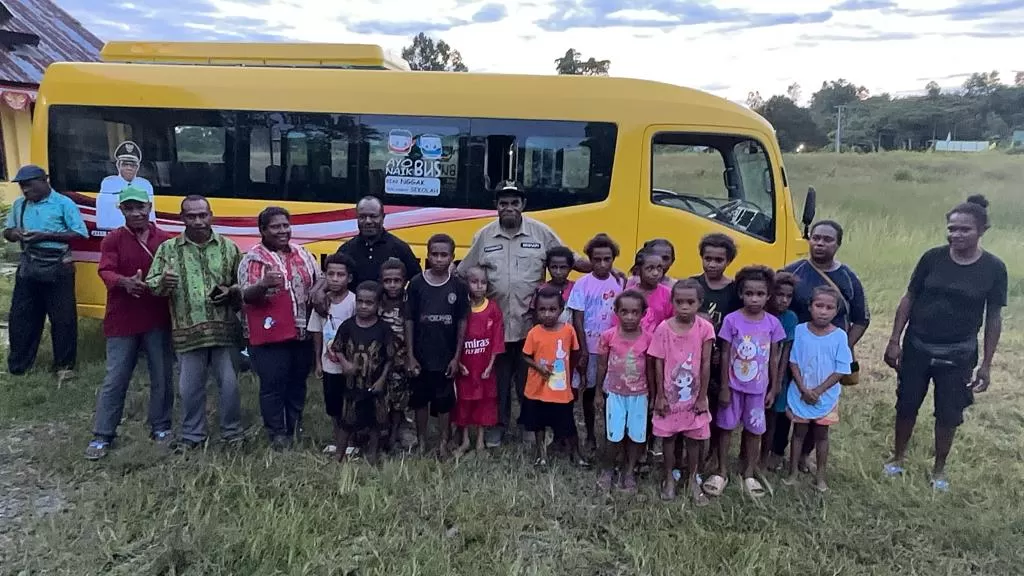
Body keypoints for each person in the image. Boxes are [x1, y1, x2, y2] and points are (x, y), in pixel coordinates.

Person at [883, 195, 1006, 492]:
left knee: (949, 413)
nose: (956, 235)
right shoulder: (932, 258)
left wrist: (986, 364)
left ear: (982, 230)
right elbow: (909, 298)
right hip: (917, 345)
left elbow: (993, 318)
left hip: (959, 352)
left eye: (964, 229)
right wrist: (894, 340)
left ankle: (939, 470)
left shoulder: (993, 268)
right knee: (907, 404)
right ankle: (898, 458)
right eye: (951, 229)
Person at [457, 181, 592, 447]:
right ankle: (496, 425)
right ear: (496, 206)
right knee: (497, 380)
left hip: (533, 326)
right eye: (503, 203)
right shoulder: (484, 236)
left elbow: (570, 259)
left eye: (514, 203)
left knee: (530, 379)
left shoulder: (541, 233)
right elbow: (464, 271)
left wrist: (607, 271)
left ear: (523, 206)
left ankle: (529, 427)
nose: (508, 208)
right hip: (494, 328)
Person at [85, 187, 175, 460]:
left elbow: (173, 272)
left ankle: (161, 427)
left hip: (157, 317)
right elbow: (105, 270)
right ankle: (103, 434)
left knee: (162, 375)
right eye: (129, 208)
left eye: (140, 208)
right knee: (116, 377)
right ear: (121, 211)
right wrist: (125, 282)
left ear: (149, 207)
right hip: (122, 317)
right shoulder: (113, 239)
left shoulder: (166, 240)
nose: (136, 213)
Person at [147, 195, 243, 449]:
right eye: (191, 216)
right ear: (182, 218)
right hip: (187, 332)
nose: (198, 221)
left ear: (211, 215)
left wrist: (231, 290)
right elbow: (152, 283)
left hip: (223, 330)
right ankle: (192, 436)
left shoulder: (228, 247)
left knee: (230, 387)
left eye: (203, 215)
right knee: (190, 389)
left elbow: (243, 282)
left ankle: (232, 434)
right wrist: (162, 284)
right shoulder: (168, 250)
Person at [784, 220, 869, 470]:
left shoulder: (848, 278)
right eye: (816, 238)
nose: (820, 243)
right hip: (794, 353)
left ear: (838, 244)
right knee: (787, 405)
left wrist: (842, 346)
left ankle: (804, 455)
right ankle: (777, 453)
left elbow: (862, 318)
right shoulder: (793, 272)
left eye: (827, 239)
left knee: (818, 407)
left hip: (828, 359)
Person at [239, 207, 321, 449]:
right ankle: (277, 433)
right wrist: (263, 284)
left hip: (301, 332)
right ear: (263, 230)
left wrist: (320, 288)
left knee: (297, 382)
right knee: (274, 384)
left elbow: (320, 279)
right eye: (275, 227)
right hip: (270, 335)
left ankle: (294, 427)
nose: (282, 231)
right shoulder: (253, 258)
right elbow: (246, 296)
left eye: (286, 225)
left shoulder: (303, 254)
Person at [705, 265, 785, 499]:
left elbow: (774, 357)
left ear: (768, 296)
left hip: (758, 391)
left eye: (760, 294)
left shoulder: (772, 324)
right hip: (732, 388)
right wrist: (723, 387)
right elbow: (726, 355)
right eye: (749, 293)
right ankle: (721, 471)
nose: (754, 298)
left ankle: (748, 473)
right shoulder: (732, 320)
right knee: (726, 428)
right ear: (740, 294)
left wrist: (774, 386)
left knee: (754, 431)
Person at [3, 165, 88, 380]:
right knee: (22, 317)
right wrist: (16, 233)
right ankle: (19, 365)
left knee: (63, 319)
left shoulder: (63, 203)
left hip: (58, 266)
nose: (25, 190)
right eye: (22, 186)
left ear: (44, 181)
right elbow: (7, 232)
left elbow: (79, 233)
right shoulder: (20, 205)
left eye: (29, 185)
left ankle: (64, 366)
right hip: (29, 265)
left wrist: (45, 236)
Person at [648, 279, 715, 504]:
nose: (685, 307)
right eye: (679, 302)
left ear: (700, 303)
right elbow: (658, 362)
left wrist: (703, 396)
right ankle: (669, 477)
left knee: (694, 439)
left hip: (694, 397)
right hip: (669, 397)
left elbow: (706, 363)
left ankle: (692, 479)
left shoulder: (705, 328)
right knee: (668, 438)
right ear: (672, 302)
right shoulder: (663, 329)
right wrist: (660, 395)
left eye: (690, 302)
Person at [406, 233, 469, 458]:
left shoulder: (458, 286)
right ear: (427, 255)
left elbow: (462, 320)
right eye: (435, 254)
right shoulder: (415, 284)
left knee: (444, 402)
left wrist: (457, 356)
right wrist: (410, 355)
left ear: (452, 257)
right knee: (420, 400)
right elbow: (409, 320)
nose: (439, 259)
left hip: (446, 356)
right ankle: (422, 440)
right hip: (421, 356)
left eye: (444, 255)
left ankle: (444, 441)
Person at [784, 286, 852, 493]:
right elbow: (793, 361)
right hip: (800, 393)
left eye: (829, 307)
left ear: (836, 311)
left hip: (826, 396)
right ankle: (792, 472)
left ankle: (820, 476)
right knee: (798, 433)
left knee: (822, 435)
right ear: (810, 307)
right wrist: (804, 389)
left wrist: (818, 391)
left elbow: (842, 369)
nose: (823, 311)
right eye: (819, 306)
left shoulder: (840, 336)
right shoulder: (800, 330)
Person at [567, 233, 623, 451]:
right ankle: (590, 435)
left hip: (614, 348)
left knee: (612, 392)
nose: (601, 264)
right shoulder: (582, 284)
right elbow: (577, 318)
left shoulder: (619, 282)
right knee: (590, 392)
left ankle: (613, 436)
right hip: (590, 347)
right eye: (596, 259)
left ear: (613, 259)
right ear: (589, 259)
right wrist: (581, 349)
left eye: (607, 259)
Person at [521, 286, 587, 468]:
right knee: (538, 424)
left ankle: (577, 454)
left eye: (552, 309)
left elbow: (574, 353)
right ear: (536, 310)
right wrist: (539, 367)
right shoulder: (534, 332)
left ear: (561, 309)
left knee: (567, 424)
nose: (547, 314)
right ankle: (541, 455)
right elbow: (525, 355)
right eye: (542, 310)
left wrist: (571, 374)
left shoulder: (568, 331)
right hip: (537, 389)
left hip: (559, 389)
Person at [691, 233, 741, 467]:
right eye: (707, 258)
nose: (712, 264)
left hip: (723, 358)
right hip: (693, 357)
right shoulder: (693, 285)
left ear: (728, 261)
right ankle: (694, 450)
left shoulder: (734, 291)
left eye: (718, 259)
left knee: (718, 404)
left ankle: (713, 451)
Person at [330, 281, 393, 463]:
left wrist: (382, 380)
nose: (363, 306)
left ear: (378, 305)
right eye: (360, 302)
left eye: (369, 303)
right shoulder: (348, 326)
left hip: (374, 385)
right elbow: (337, 347)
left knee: (375, 422)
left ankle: (372, 454)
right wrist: (344, 364)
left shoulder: (383, 329)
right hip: (352, 385)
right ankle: (338, 455)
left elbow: (390, 358)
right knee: (346, 422)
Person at [595, 290, 652, 495]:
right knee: (614, 435)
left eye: (634, 312)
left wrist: (653, 396)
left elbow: (651, 369)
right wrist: (598, 393)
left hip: (639, 394)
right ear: (616, 312)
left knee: (636, 436)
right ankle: (608, 470)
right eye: (624, 312)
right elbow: (602, 366)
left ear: (643, 313)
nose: (629, 317)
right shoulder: (608, 336)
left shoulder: (648, 338)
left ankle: (628, 472)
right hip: (615, 394)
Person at [307, 253, 357, 454]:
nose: (335, 279)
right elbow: (317, 332)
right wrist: (318, 361)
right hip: (329, 365)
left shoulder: (355, 302)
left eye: (340, 275)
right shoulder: (322, 303)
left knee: (350, 404)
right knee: (333, 405)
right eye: (331, 274)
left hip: (350, 366)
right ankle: (338, 441)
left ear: (349, 278)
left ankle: (351, 443)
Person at [453, 266, 505, 456]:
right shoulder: (462, 307)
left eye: (483, 282)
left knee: (484, 403)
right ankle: (465, 440)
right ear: (466, 284)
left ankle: (481, 441)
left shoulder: (493, 309)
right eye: (474, 282)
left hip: (484, 368)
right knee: (463, 403)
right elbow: (454, 338)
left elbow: (497, 340)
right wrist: (458, 363)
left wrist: (490, 366)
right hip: (466, 367)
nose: (479, 286)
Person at [336, 196, 421, 285]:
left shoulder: (400, 248)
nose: (368, 221)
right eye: (362, 217)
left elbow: (417, 283)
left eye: (373, 216)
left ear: (383, 217)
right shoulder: (346, 250)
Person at [763, 271, 799, 470]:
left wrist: (777, 382)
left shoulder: (790, 318)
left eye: (789, 296)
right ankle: (752, 453)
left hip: (779, 376)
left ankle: (771, 453)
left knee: (776, 416)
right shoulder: (762, 314)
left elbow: (785, 352)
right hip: (756, 373)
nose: (784, 300)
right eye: (780, 294)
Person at [379, 257, 411, 450]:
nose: (392, 285)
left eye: (396, 281)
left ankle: (396, 434)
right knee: (380, 400)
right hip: (379, 361)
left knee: (399, 401)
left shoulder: (409, 302)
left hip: (400, 361)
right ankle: (379, 434)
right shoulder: (376, 302)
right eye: (387, 281)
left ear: (404, 281)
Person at [97, 141, 156, 229]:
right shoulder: (109, 183)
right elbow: (103, 215)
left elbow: (151, 215)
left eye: (132, 165)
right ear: (118, 166)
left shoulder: (145, 184)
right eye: (125, 164)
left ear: (137, 167)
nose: (129, 168)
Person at [623, 248, 673, 334]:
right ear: (639, 270)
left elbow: (674, 323)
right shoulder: (628, 294)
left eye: (659, 268)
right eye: (650, 268)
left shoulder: (668, 294)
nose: (656, 273)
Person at [532, 246, 576, 326]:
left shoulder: (576, 289)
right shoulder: (540, 290)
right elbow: (536, 320)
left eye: (563, 267)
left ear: (570, 268)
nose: (558, 272)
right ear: (548, 267)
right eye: (554, 267)